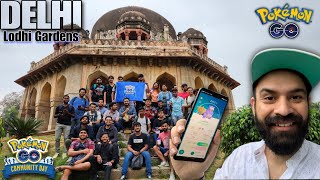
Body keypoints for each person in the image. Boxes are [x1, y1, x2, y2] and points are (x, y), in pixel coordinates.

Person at [169, 48, 320, 179]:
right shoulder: (238, 159)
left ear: (308, 103)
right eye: (269, 98)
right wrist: (192, 177)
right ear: (254, 107)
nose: (283, 110)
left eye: (295, 97)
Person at [53, 95, 75, 159]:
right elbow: (55, 115)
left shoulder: (71, 107)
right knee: (57, 138)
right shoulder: (59, 106)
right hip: (59, 124)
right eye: (65, 98)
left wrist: (68, 113)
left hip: (67, 125)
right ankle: (57, 152)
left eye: (67, 98)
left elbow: (73, 115)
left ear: (69, 100)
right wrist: (59, 114)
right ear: (63, 99)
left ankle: (65, 152)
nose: (66, 99)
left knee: (66, 139)